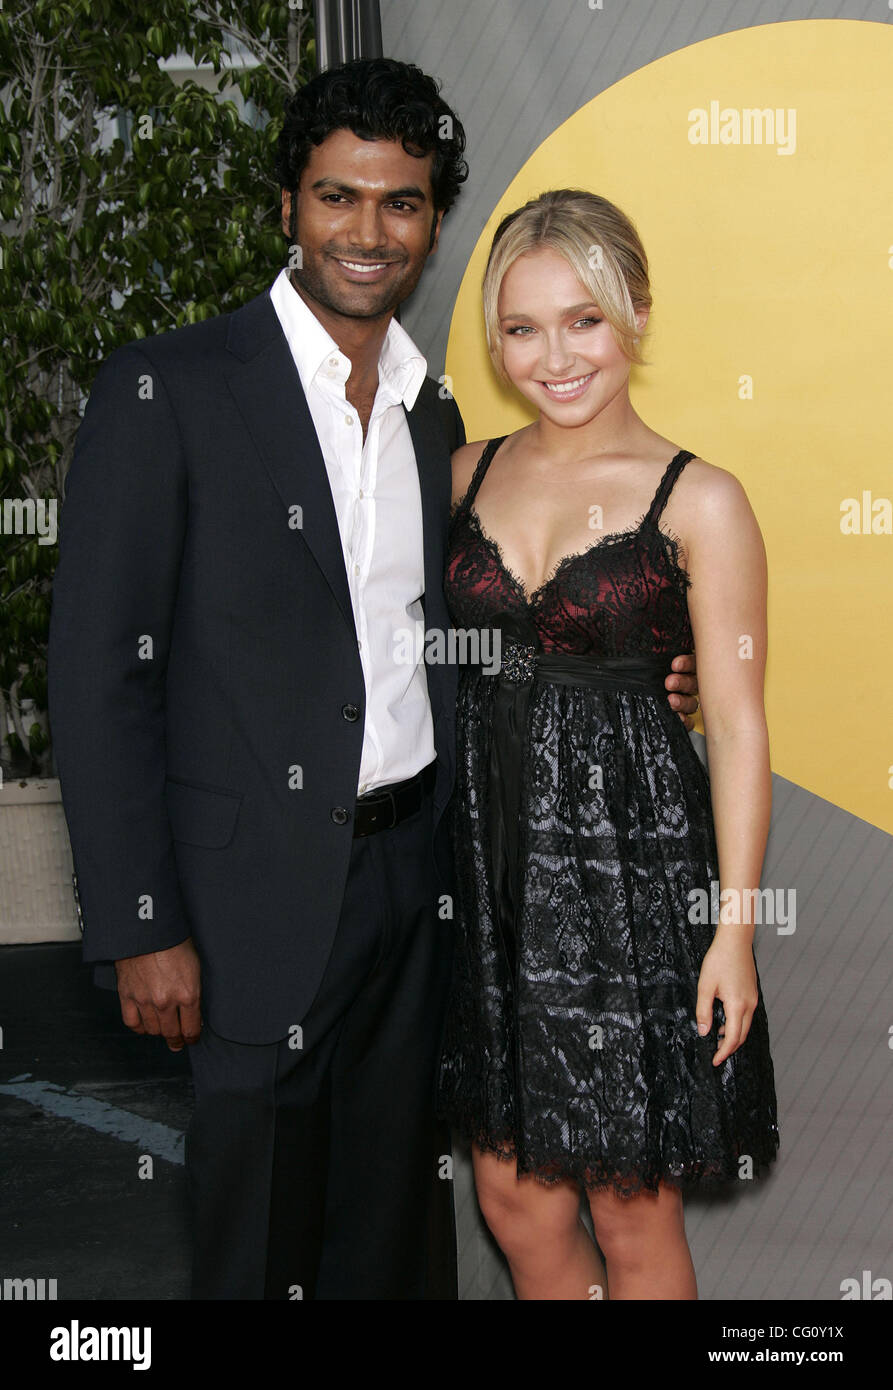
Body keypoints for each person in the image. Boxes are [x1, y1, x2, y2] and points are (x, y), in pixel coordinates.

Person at [47, 58, 700, 1301]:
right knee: (258, 1239)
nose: (365, 230)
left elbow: (489, 622)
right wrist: (142, 924)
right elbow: (96, 677)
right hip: (242, 902)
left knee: (395, 1238)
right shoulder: (167, 389)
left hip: (424, 884)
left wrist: (641, 681)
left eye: (398, 202)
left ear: (432, 221)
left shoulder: (435, 418)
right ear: (286, 205)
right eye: (335, 196)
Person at [437, 188, 779, 1301]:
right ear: (495, 341)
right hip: (487, 876)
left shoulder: (701, 500)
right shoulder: (458, 474)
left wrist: (731, 931)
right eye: (524, 328)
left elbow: (731, 721)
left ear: (634, 308)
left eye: (582, 319)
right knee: (512, 1200)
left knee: (631, 1210)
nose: (555, 355)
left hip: (626, 881)